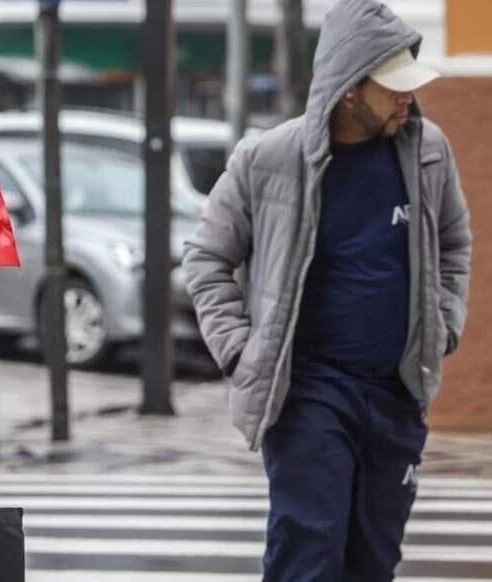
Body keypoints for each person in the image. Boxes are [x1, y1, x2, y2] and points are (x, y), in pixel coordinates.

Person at [182, 1, 472, 580]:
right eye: (392, 87)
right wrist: (239, 351)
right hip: (309, 396)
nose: (407, 99)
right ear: (348, 88)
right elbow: (206, 257)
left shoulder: (428, 152)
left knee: (374, 562)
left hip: (395, 397)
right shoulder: (267, 159)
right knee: (308, 557)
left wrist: (443, 323)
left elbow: (452, 243)